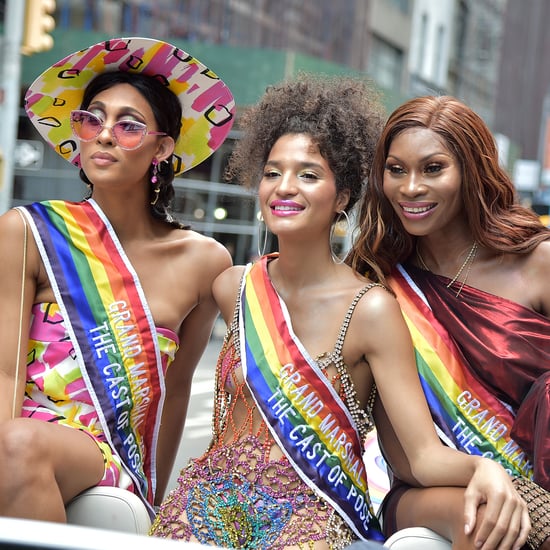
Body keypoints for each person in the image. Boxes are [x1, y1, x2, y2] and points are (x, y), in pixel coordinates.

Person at [150, 75, 530, 549]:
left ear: (343, 196)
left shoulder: (372, 307)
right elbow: (170, 385)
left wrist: (484, 467)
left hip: (312, 515)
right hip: (203, 503)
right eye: (272, 172)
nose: (284, 187)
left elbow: (421, 455)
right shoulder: (232, 287)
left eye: (308, 174)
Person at [0, 37, 235, 522]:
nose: (104, 135)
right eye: (92, 119)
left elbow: (177, 392)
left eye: (129, 126)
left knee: (20, 444)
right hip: (18, 439)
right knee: (17, 443)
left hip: (108, 453)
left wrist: (158, 505)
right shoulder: (28, 231)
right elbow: (4, 372)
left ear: (162, 148)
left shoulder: (204, 260)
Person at [347, 95, 550, 549]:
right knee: (486, 523)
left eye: (433, 168)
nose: (411, 187)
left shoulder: (537, 262)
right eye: (396, 169)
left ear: (471, 171)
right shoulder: (377, 281)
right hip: (427, 488)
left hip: (540, 478)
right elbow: (411, 459)